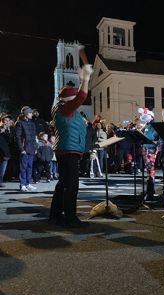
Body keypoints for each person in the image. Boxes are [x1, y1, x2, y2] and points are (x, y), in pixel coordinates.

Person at [49, 64, 93, 227]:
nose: (77, 100)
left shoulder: (68, 111)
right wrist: (85, 78)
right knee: (71, 186)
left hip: (68, 150)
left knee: (63, 184)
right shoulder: (64, 108)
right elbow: (82, 96)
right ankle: (70, 218)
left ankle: (55, 216)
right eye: (73, 97)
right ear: (68, 98)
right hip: (68, 151)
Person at [15, 106, 37, 192]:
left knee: (29, 166)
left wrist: (35, 147)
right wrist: (21, 149)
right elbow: (18, 137)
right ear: (25, 114)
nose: (32, 114)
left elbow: (34, 137)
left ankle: (28, 183)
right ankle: (22, 184)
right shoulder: (20, 123)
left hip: (31, 148)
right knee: (23, 167)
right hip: (24, 149)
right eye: (30, 113)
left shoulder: (32, 123)